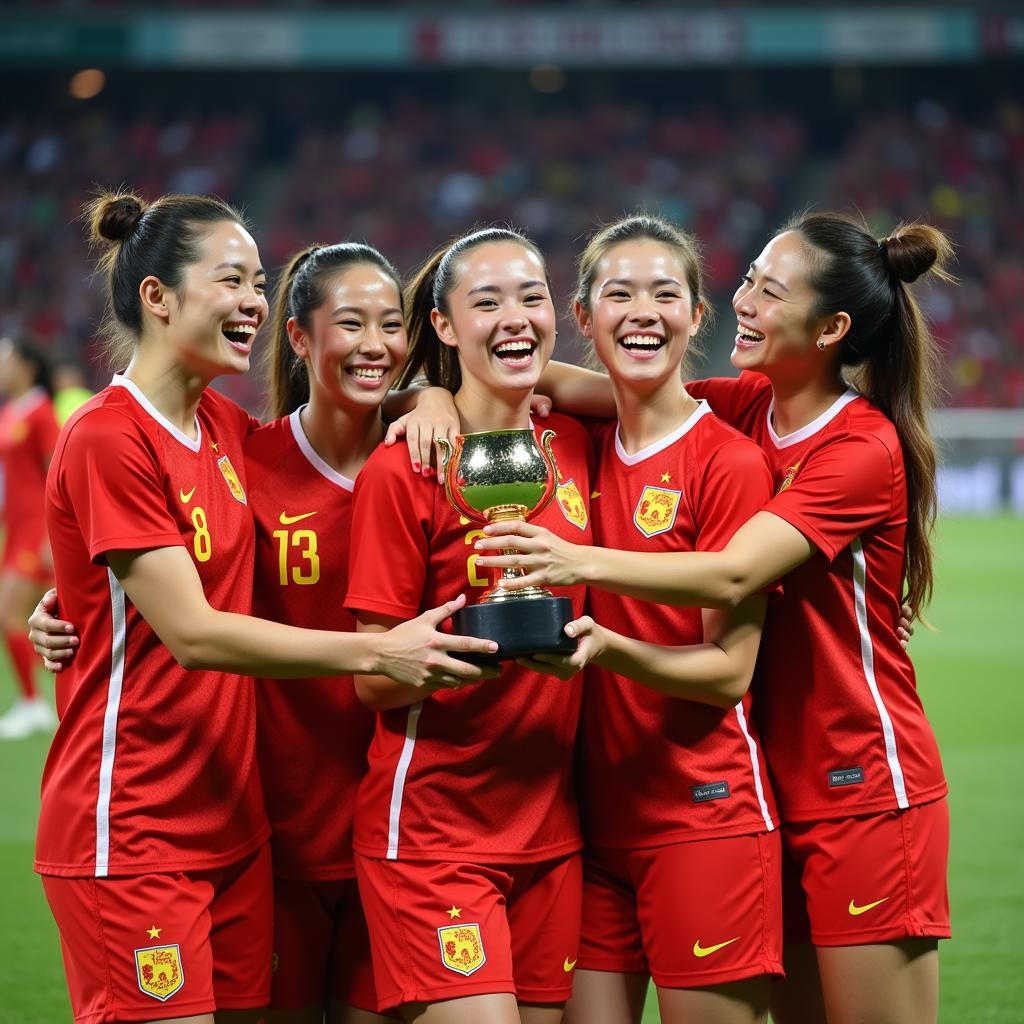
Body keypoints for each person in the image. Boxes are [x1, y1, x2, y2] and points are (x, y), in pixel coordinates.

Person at [474, 213, 952, 1024]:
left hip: (862, 784)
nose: (746, 302)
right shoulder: (745, 407)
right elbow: (604, 387)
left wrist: (576, 563)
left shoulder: (858, 446)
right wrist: (437, 398)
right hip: (770, 779)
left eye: (770, 290)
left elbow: (733, 571)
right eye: (747, 281)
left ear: (831, 328)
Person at [33, 191, 497, 1024]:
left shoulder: (221, 427)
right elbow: (195, 633)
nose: (253, 298)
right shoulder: (108, 434)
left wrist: (427, 397)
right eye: (233, 280)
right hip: (132, 824)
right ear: (158, 297)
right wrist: (377, 653)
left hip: (235, 829)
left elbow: (331, 421)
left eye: (258, 281)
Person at [345, 227, 594, 1024]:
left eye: (532, 297)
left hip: (552, 831)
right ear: (445, 327)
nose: (515, 317)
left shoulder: (576, 444)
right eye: (485, 302)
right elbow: (370, 680)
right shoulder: (406, 466)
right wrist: (470, 653)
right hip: (435, 832)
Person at [246, 241, 409, 1024]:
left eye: (392, 323)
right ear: (301, 338)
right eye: (351, 323)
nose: (375, 344)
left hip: (410, 835)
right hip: (277, 834)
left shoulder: (432, 464)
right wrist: (58, 616)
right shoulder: (246, 463)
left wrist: (431, 403)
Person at [0, 336, 59, 739]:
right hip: (15, 529)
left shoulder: (40, 412)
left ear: (25, 366)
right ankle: (45, 701)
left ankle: (33, 704)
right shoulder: (10, 412)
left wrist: (52, 537)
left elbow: (56, 476)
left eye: (5, 359)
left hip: (35, 531)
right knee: (45, 622)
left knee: (8, 613)